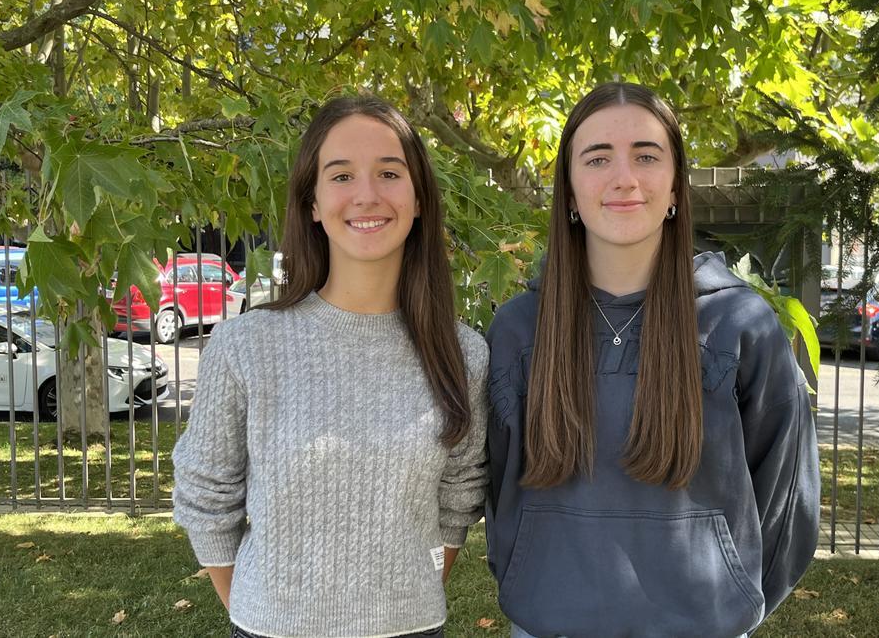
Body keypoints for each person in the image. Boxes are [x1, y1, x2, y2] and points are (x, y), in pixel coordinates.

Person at [484, 82, 819, 638]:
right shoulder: (518, 331)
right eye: (598, 158)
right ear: (569, 191)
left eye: (646, 156)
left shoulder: (741, 325)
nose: (624, 178)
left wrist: (730, 601)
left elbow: (788, 502)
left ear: (676, 187)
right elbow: (496, 489)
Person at [172, 96, 489, 638]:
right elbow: (206, 493)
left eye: (389, 173)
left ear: (418, 198)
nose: (367, 194)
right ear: (313, 203)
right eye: (341, 175)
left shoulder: (463, 353)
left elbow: (461, 493)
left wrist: (407, 599)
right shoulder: (246, 345)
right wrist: (258, 609)